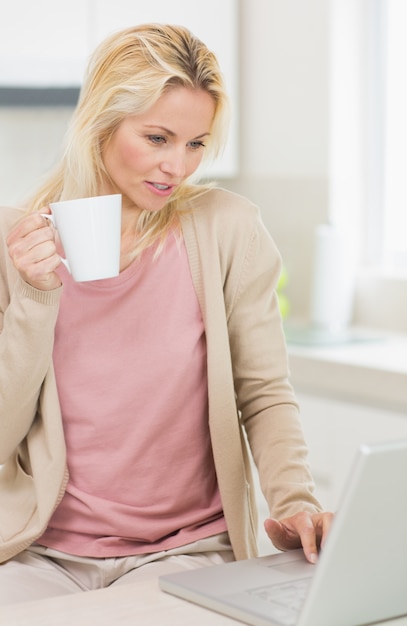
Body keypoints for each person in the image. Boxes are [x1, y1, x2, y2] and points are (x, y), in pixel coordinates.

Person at [0, 23, 333, 605]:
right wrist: (33, 298)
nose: (178, 167)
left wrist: (295, 503)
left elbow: (264, 393)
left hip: (186, 551)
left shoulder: (227, 230)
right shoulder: (17, 242)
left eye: (196, 143)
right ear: (102, 121)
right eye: (157, 138)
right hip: (40, 553)